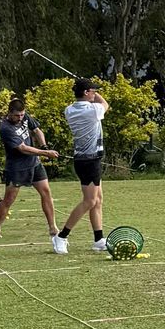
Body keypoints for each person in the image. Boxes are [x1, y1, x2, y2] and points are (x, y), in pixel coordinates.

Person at [0, 95, 65, 252]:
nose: (20, 117)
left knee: (46, 193)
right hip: (16, 168)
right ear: (10, 113)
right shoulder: (5, 128)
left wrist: (44, 146)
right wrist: (45, 154)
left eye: (22, 114)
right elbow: (23, 148)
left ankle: (52, 227)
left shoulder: (25, 117)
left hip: (34, 164)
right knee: (9, 200)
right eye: (17, 115)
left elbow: (36, 130)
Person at [58, 78, 110, 255]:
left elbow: (96, 101)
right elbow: (104, 104)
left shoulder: (69, 110)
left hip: (84, 159)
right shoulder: (93, 110)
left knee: (98, 200)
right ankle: (62, 236)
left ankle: (98, 239)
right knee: (90, 201)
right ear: (86, 92)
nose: (95, 94)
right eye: (93, 91)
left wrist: (88, 90)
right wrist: (96, 94)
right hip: (90, 160)